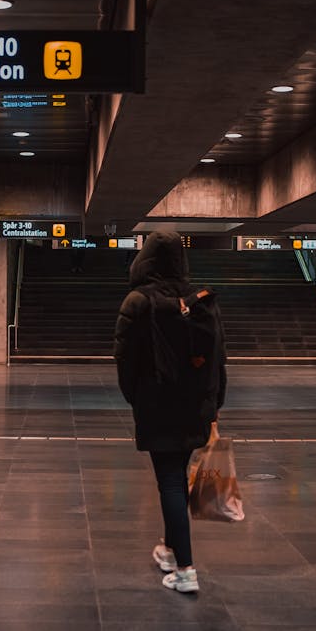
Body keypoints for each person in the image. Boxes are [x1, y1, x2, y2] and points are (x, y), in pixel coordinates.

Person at [113, 230, 227, 593]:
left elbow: (125, 361)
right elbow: (219, 361)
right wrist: (214, 406)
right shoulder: (202, 302)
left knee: (171, 481)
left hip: (157, 405)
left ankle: (186, 569)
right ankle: (168, 549)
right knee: (175, 475)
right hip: (195, 406)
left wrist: (137, 398)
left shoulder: (137, 302)